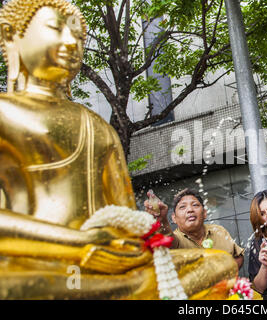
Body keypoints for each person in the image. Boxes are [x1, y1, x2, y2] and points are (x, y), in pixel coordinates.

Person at [0, 0, 237, 299]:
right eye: (55, 29)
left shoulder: (98, 126)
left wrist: (128, 246)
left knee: (218, 265)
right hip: (38, 262)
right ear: (12, 35)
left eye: (78, 38)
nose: (70, 43)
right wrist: (78, 243)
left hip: (107, 270)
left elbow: (123, 217)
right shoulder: (5, 114)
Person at [144, 188, 245, 269]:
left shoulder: (219, 231)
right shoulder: (176, 240)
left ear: (205, 213)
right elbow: (168, 239)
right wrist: (162, 221)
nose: (190, 210)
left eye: (195, 205)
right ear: (174, 218)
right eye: (182, 207)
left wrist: (226, 273)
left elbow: (238, 257)